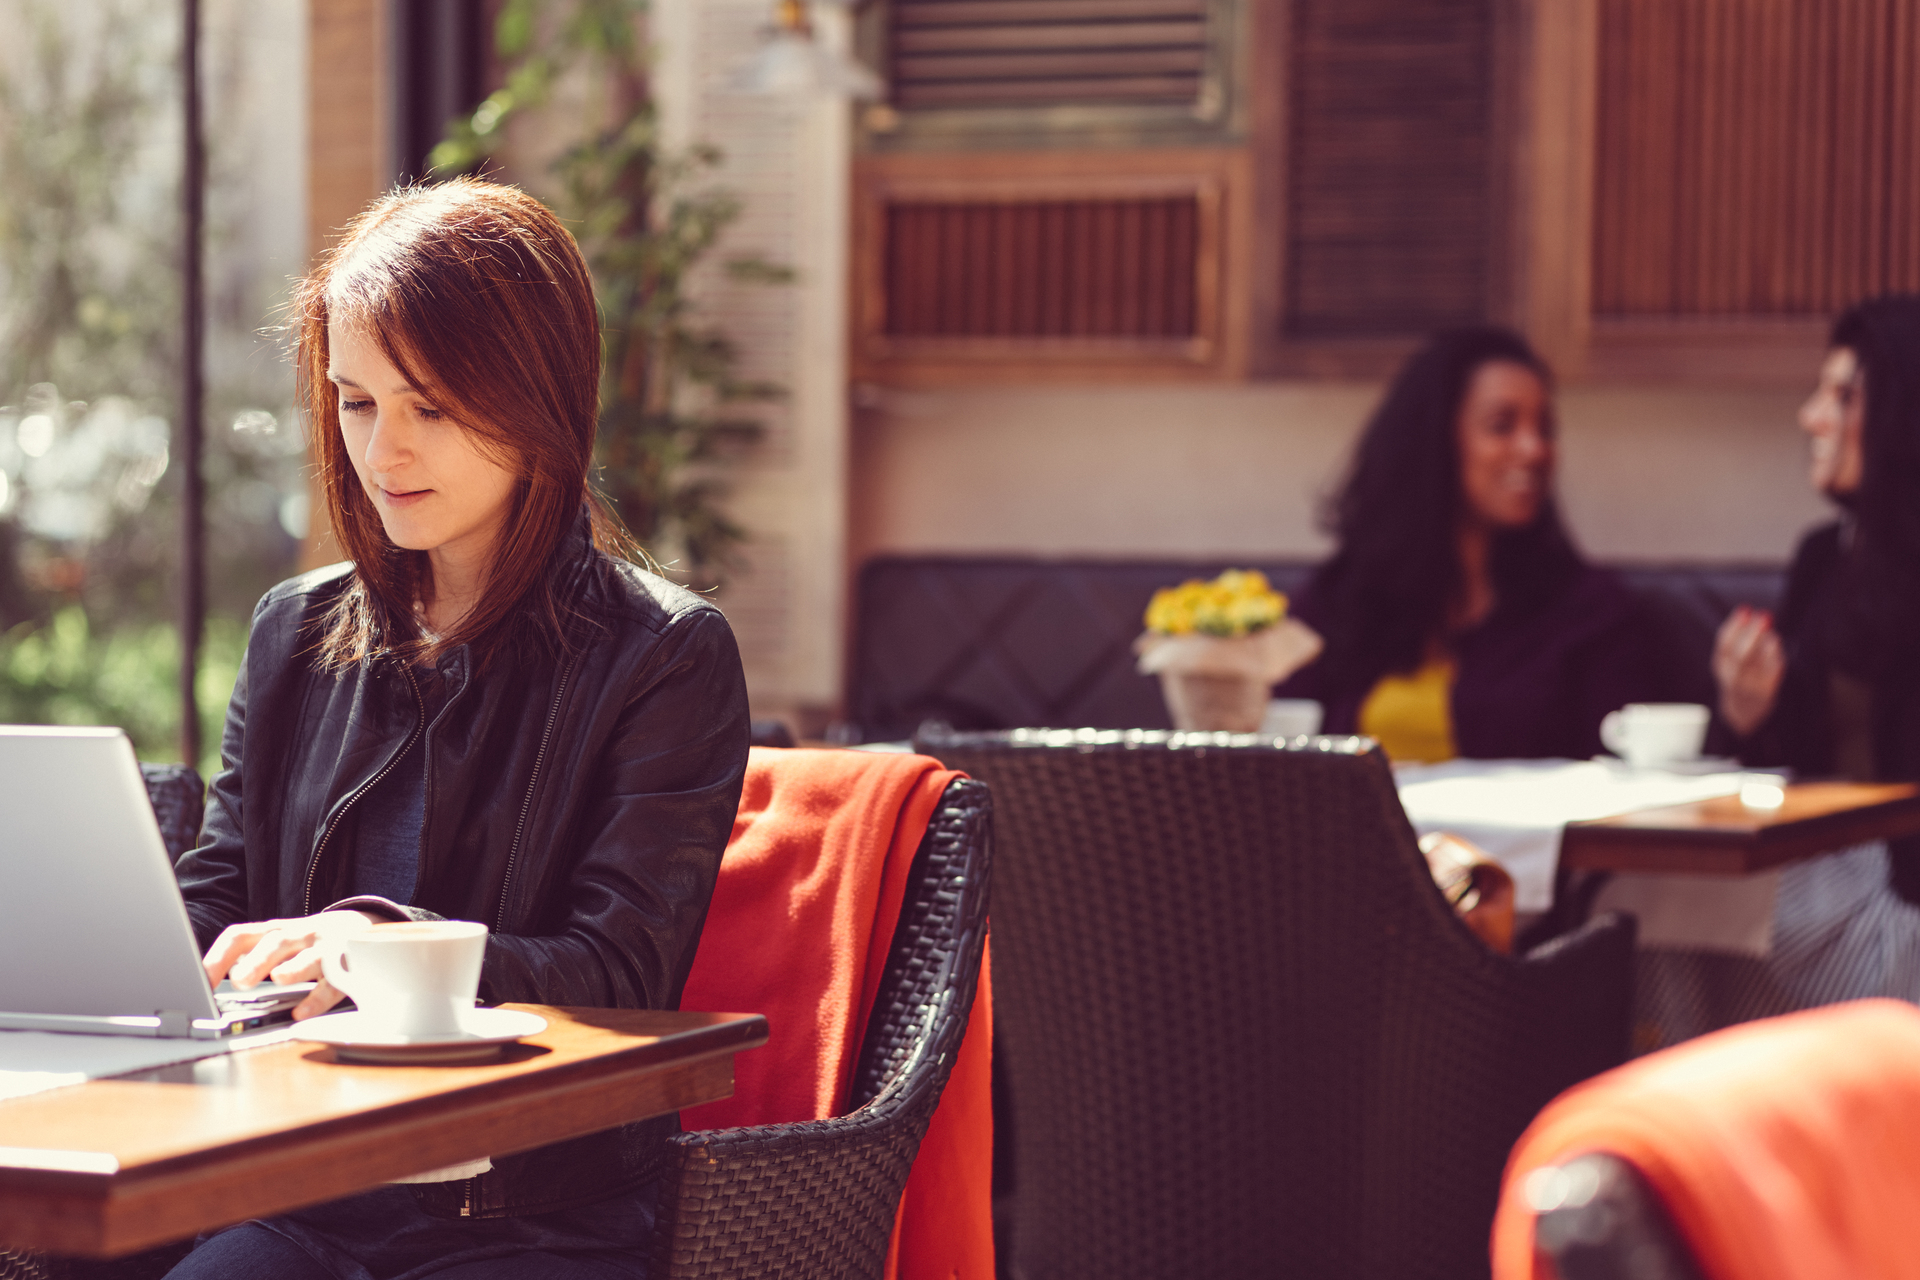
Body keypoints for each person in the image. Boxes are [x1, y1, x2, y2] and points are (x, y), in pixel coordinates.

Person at [164, 178, 750, 1278]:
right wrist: (156, 956)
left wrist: (372, 943)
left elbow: (620, 976)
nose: (383, 452)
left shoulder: (663, 655)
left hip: (536, 1216)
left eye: (430, 406)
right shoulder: (296, 630)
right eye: (355, 401)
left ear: (540, 397)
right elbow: (224, 891)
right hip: (300, 1187)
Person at [1277, 327, 1663, 763]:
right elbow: (1279, 755)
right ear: (1434, 441)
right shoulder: (1340, 603)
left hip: (1522, 833)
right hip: (1359, 832)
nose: (1534, 449)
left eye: (1545, 427)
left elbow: (1639, 774)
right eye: (1502, 426)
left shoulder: (1592, 614)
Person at [1714, 296, 1920, 887]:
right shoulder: (1824, 555)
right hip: (1820, 865)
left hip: (1898, 896)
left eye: (1841, 396)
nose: (1810, 417)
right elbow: (1786, 772)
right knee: (1638, 896)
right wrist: (1746, 713)